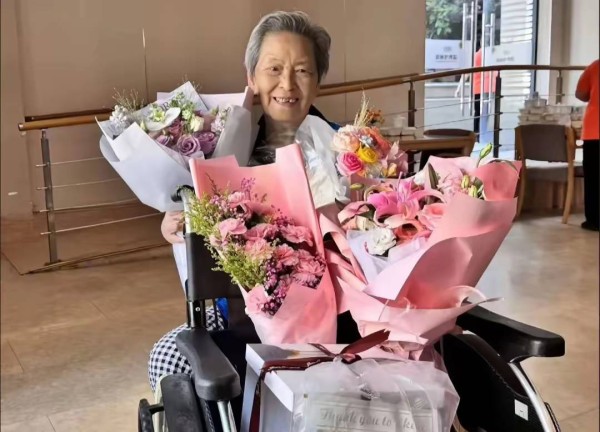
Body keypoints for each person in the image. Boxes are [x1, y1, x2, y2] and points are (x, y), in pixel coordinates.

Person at [149, 10, 345, 392]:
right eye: (274, 69)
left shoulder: (347, 150)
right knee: (169, 358)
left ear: (318, 81)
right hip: (242, 317)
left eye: (302, 71)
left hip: (341, 315)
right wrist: (177, 224)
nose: (287, 84)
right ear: (252, 78)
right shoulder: (222, 154)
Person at [575, 59, 599, 231]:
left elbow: (581, 93)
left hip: (594, 129)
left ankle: (594, 220)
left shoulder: (595, 66)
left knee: (593, 177)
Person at [454, 47, 498, 142]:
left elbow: (466, 73)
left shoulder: (476, 56)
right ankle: (482, 132)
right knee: (486, 112)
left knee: (478, 112)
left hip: (479, 88)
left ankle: (477, 133)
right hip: (490, 87)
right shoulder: (491, 55)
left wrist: (459, 88)